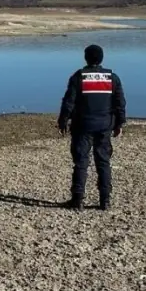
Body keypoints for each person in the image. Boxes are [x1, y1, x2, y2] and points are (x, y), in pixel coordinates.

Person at [57, 44, 126, 210]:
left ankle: (77, 200)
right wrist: (120, 123)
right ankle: (105, 201)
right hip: (104, 126)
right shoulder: (112, 78)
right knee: (103, 162)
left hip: (82, 126)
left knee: (81, 162)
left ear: (86, 58)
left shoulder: (78, 77)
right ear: (101, 58)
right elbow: (120, 103)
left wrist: (63, 121)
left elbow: (69, 102)